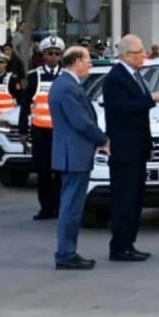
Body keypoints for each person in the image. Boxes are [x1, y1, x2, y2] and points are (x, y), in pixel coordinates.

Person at [103, 34, 159, 262]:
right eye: (139, 52)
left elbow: (142, 117)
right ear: (126, 55)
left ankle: (129, 243)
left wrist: (149, 143)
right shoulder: (115, 78)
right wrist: (153, 97)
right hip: (124, 149)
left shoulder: (135, 75)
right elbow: (124, 108)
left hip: (138, 147)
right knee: (124, 198)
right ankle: (120, 246)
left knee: (135, 198)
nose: (144, 56)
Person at [49, 47, 109, 270]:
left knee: (71, 204)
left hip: (74, 153)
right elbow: (81, 122)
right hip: (73, 154)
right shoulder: (66, 86)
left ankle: (68, 251)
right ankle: (66, 253)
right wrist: (103, 140)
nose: (90, 65)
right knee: (71, 206)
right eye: (88, 60)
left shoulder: (67, 84)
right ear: (76, 62)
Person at [20, 36, 64, 220]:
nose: (53, 57)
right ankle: (46, 208)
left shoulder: (67, 76)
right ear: (44, 55)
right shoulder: (33, 76)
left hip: (61, 133)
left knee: (61, 172)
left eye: (57, 54)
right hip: (41, 133)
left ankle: (61, 207)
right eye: (50, 53)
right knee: (44, 173)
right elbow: (24, 106)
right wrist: (23, 130)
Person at [0, 52, 22, 131]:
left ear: (6, 64)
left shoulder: (12, 78)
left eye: (1, 62)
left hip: (7, 116)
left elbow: (19, 96)